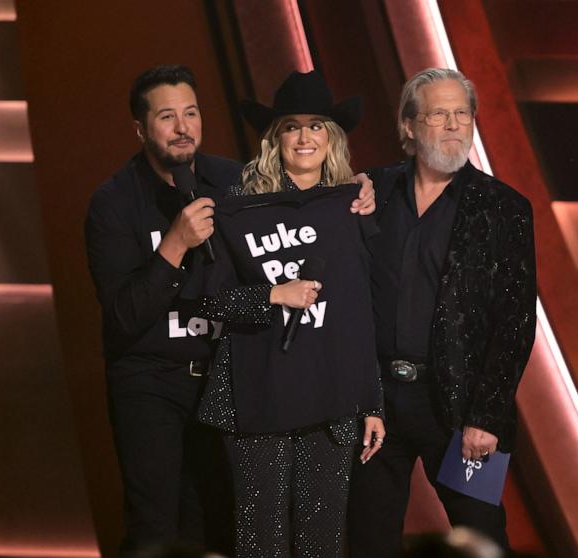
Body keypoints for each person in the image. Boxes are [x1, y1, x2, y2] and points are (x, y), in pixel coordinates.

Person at [85, 65, 374, 557]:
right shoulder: (113, 203)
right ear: (141, 129)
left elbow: (298, 187)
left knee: (218, 525)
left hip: (228, 375)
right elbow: (123, 316)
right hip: (152, 379)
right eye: (167, 116)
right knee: (154, 525)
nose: (182, 127)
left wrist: (357, 187)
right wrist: (174, 245)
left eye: (191, 113)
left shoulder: (232, 181)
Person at [347, 67, 537, 557]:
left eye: (462, 114)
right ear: (408, 126)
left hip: (459, 410)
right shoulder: (372, 192)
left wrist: (487, 416)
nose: (454, 125)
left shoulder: (504, 207)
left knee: (483, 539)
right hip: (374, 405)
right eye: (438, 114)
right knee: (368, 541)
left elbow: (515, 323)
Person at [195, 69, 384, 558]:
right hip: (257, 395)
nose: (305, 137)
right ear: (275, 137)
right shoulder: (238, 207)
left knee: (322, 541)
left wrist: (373, 402)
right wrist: (274, 295)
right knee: (262, 542)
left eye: (317, 125)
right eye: (292, 126)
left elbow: (361, 314)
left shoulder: (355, 207)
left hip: (333, 398)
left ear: (332, 137)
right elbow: (211, 301)